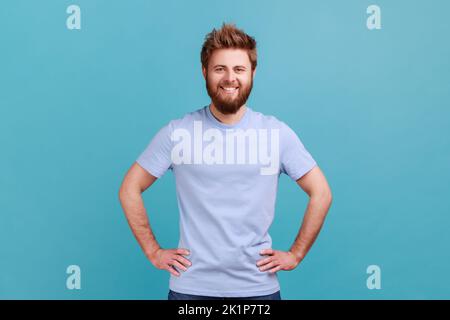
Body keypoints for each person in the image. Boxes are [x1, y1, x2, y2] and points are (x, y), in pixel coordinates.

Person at [119, 23, 332, 300]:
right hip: (190, 291)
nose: (230, 78)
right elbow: (129, 189)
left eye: (239, 69)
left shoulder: (275, 133)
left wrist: (296, 254)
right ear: (205, 72)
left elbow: (321, 193)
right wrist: (153, 251)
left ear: (252, 73)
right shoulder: (178, 133)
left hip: (258, 291)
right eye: (220, 69)